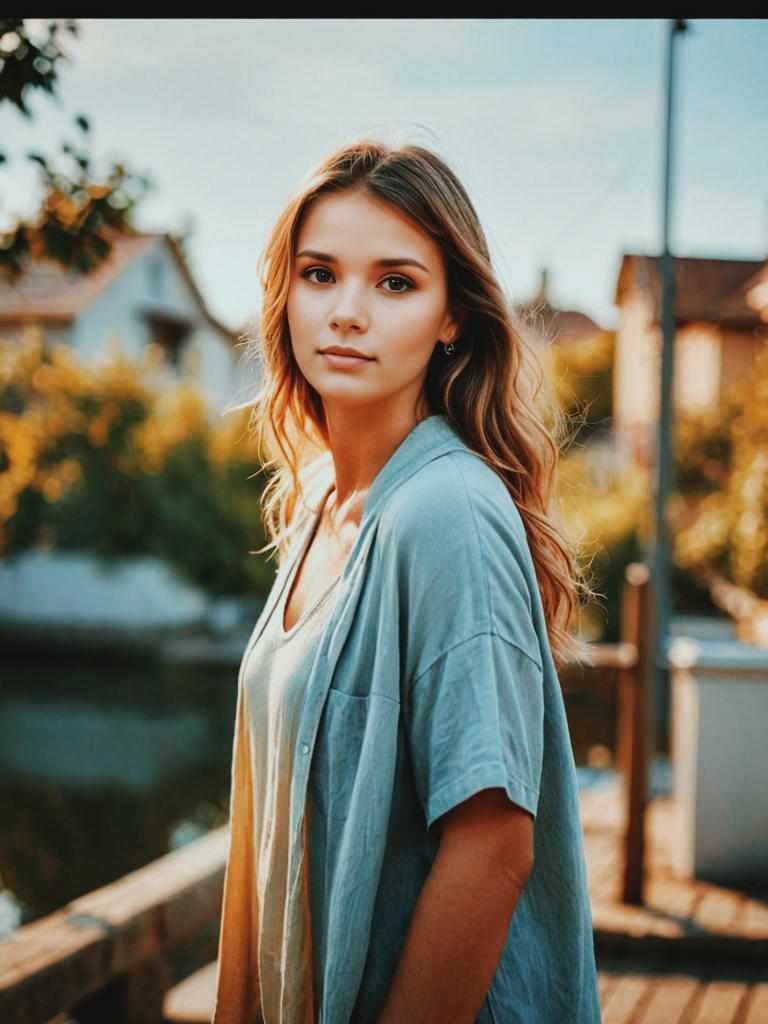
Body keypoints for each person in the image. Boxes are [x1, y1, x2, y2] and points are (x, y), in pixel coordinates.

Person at [211, 134, 603, 1024]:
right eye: (319, 274)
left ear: (452, 315)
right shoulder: (315, 504)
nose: (347, 311)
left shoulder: (447, 513)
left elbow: (495, 845)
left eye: (395, 282)